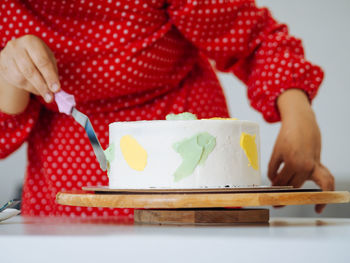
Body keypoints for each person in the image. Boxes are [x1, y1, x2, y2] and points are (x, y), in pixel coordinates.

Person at [0, 0, 334, 218]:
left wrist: (298, 112)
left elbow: (255, 38)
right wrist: (10, 74)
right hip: (67, 194)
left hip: (196, 194)